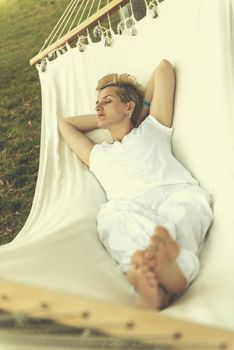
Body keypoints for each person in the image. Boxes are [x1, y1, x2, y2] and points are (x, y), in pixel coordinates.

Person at [59, 59, 213, 310]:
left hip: (176, 191)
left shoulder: (154, 127)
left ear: (129, 105)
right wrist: (106, 114)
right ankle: (159, 278)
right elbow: (65, 124)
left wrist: (140, 112)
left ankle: (164, 276)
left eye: (106, 101)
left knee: (186, 210)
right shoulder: (98, 154)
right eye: (96, 104)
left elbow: (163, 69)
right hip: (130, 205)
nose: (98, 107)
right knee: (112, 217)